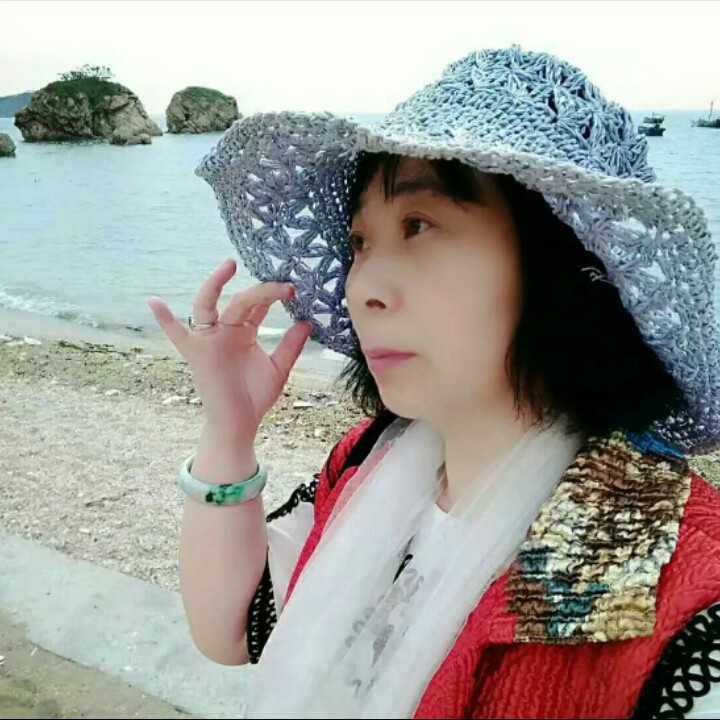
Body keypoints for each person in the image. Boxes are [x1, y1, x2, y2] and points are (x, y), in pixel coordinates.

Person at [148, 46, 720, 719]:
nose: (363, 288)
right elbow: (233, 628)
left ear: (566, 265)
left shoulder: (669, 590)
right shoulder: (368, 464)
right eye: (361, 242)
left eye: (417, 225)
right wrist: (229, 429)